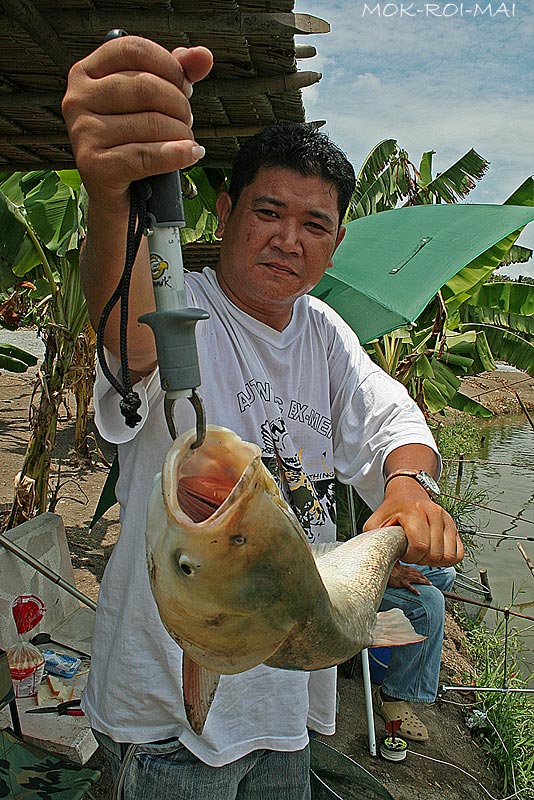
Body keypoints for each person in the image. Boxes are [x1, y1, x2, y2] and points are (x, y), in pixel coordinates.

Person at [62, 35, 463, 800]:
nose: (289, 239)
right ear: (225, 211)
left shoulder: (324, 332)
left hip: (284, 705)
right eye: (269, 212)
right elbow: (128, 331)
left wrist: (409, 483)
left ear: (337, 241)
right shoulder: (181, 304)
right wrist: (111, 198)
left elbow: (390, 418)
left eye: (315, 225)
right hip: (165, 719)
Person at [373, 562, 456, 741]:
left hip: (376, 561)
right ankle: (392, 695)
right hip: (359, 573)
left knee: (445, 574)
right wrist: (389, 572)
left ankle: (405, 661)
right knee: (429, 604)